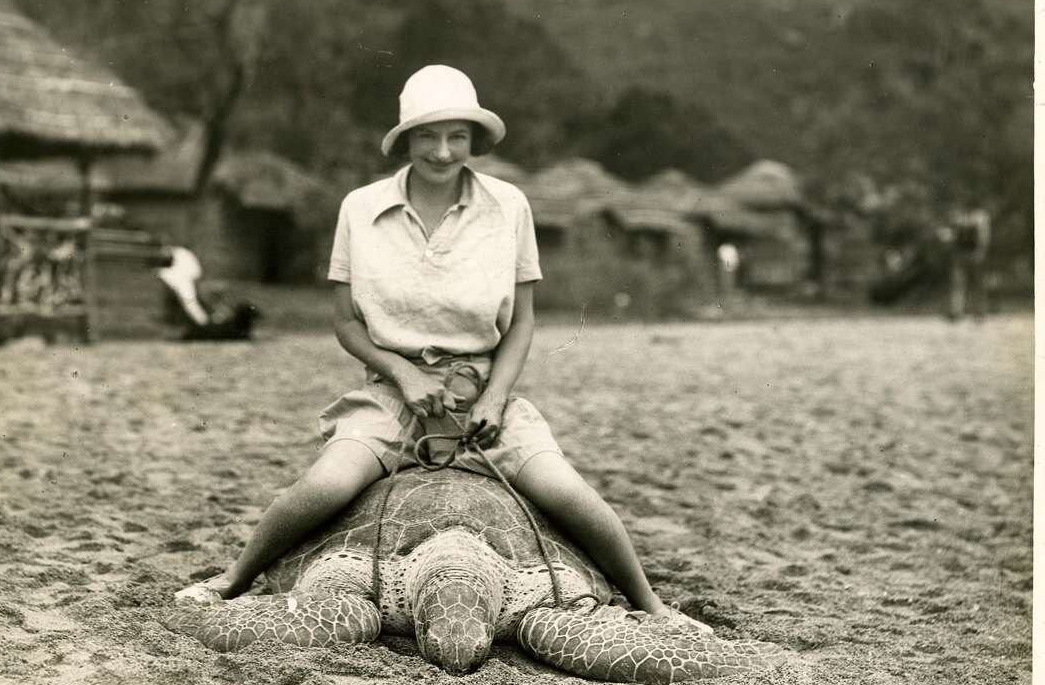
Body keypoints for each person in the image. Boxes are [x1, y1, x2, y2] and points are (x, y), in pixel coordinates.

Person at [176, 64, 709, 632]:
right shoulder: (360, 208)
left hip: (482, 392)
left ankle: (651, 607)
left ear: (475, 139)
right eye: (427, 136)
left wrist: (496, 398)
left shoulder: (510, 207)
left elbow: (522, 322)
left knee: (569, 493)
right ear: (405, 139)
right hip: (391, 394)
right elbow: (346, 323)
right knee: (326, 485)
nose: (442, 151)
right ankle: (234, 580)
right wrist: (401, 374)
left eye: (457, 136)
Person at [946, 204, 991, 321]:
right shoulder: (960, 216)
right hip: (961, 254)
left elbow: (983, 236)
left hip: (973, 253)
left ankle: (979, 312)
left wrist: (981, 250)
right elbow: (955, 236)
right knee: (958, 283)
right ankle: (956, 312)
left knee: (976, 284)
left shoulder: (979, 217)